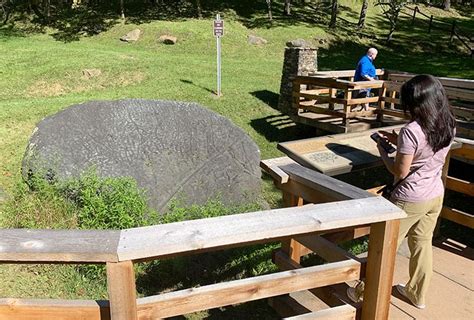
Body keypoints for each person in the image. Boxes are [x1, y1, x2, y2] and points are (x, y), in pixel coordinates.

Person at [347, 74, 456, 309]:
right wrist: (399, 141)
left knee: (386, 246)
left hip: (409, 199)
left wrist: (383, 151)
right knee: (422, 244)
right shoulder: (448, 123)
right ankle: (417, 294)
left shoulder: (412, 131)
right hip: (435, 193)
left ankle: (364, 292)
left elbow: (400, 171)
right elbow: (428, 151)